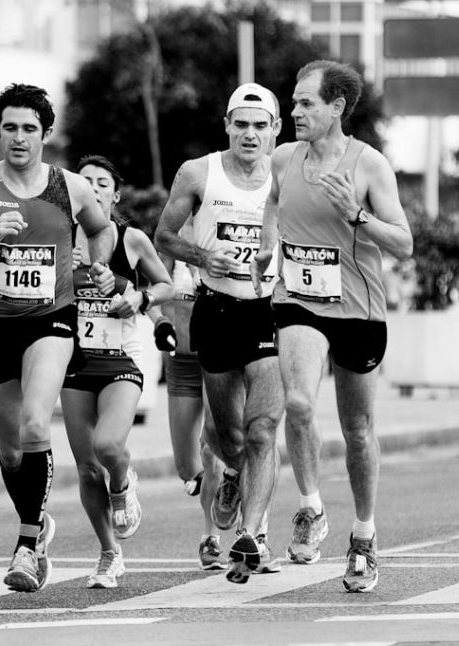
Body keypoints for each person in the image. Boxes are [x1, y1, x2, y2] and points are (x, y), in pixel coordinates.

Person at [0, 83, 114, 592]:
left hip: (51, 319)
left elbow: (103, 229)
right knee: (12, 452)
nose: (18, 137)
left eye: (29, 128)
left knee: (36, 424)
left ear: (45, 134)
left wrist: (97, 264)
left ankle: (28, 544)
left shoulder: (69, 187)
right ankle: (38, 521)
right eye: (9, 127)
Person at [251, 61, 412, 593]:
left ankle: (363, 536)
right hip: (298, 302)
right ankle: (311, 507)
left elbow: (404, 244)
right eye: (294, 102)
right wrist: (268, 243)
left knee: (357, 430)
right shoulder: (283, 158)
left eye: (306, 103)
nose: (294, 112)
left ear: (336, 108)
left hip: (358, 310)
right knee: (298, 403)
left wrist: (356, 215)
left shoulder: (369, 166)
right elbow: (273, 200)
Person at [156, 82, 286, 584]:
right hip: (216, 310)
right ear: (227, 125)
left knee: (261, 430)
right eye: (241, 124)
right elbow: (164, 236)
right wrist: (202, 256)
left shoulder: (287, 177)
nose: (250, 134)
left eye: (260, 125)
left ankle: (252, 534)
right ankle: (231, 473)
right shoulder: (198, 173)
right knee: (227, 434)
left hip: (268, 312)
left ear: (275, 130)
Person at [62, 155, 173, 589]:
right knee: (88, 468)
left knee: (108, 445)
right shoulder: (57, 238)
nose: (92, 187)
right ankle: (109, 554)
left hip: (121, 358)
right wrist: (64, 268)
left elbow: (166, 286)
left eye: (101, 182)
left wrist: (140, 299)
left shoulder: (132, 240)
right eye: (84, 181)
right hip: (73, 362)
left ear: (115, 194)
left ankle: (124, 483)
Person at [156, 250, 226, 571]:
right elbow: (151, 293)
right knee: (187, 467)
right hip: (180, 362)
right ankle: (219, 487)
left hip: (217, 357)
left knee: (211, 449)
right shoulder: (171, 245)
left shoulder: (217, 239)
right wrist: (159, 322)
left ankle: (211, 537)